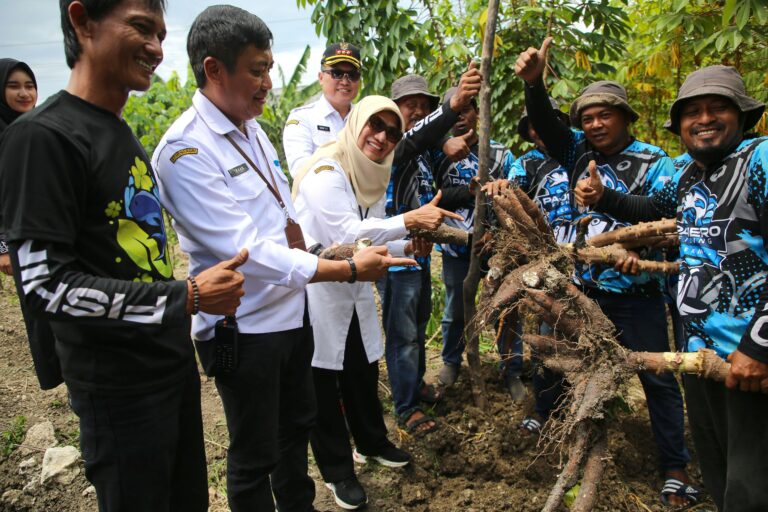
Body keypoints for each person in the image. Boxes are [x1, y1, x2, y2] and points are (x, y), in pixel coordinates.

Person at [152, 7, 415, 512]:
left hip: (293, 314)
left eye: (270, 68)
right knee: (254, 454)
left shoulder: (251, 130)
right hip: (246, 326)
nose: (268, 82)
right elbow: (245, 249)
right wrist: (342, 268)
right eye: (257, 70)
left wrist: (325, 252)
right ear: (214, 69)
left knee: (296, 428)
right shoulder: (186, 150)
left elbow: (285, 217)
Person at [0, 1, 250, 510]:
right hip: (119, 389)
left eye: (161, 34)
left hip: (167, 366)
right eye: (141, 27)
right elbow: (47, 285)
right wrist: (188, 297)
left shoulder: (117, 130)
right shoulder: (43, 138)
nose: (157, 48)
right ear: (82, 21)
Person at [575, 65, 768, 512]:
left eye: (718, 108)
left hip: (750, 359)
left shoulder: (759, 161)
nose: (704, 119)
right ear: (678, 125)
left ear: (742, 116)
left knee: (753, 486)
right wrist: (604, 198)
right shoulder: (685, 173)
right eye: (692, 112)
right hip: (700, 355)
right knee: (719, 470)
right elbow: (646, 206)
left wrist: (758, 348)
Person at [515, 38, 697, 506]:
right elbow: (546, 126)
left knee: (656, 378)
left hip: (636, 295)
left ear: (626, 118)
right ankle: (544, 420)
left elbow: (661, 209)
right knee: (555, 356)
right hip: (582, 289)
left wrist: (607, 201)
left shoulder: (656, 160)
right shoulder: (575, 150)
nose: (594, 124)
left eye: (605, 115)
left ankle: (675, 467)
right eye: (588, 117)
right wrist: (534, 85)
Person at [293, 95, 459, 510]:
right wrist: (408, 220)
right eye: (375, 126)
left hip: (355, 287)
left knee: (362, 369)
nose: (382, 138)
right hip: (320, 290)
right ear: (356, 126)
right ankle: (337, 471)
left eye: (392, 131)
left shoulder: (370, 174)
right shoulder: (326, 170)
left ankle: (371, 441)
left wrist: (408, 241)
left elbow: (368, 238)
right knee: (324, 383)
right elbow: (346, 233)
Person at [382, 69, 480, 435]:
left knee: (417, 325)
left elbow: (438, 198)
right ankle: (406, 407)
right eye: (411, 105)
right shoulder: (391, 147)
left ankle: (416, 384)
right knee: (403, 332)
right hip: (395, 254)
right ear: (394, 111)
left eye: (425, 106)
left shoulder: (424, 155)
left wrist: (472, 190)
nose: (419, 111)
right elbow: (413, 139)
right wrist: (451, 109)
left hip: (420, 253)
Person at [431, 86, 517, 395]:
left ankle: (512, 368)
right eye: (453, 112)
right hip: (456, 248)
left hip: (496, 249)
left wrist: (498, 233)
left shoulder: (501, 154)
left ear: (477, 113)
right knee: (456, 308)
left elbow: (513, 199)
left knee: (505, 308)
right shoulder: (438, 155)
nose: (459, 118)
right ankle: (451, 363)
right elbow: (433, 200)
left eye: (465, 110)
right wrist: (468, 192)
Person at [283, 42, 362, 177]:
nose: (345, 81)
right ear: (321, 77)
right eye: (337, 73)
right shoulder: (302, 118)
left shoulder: (365, 118)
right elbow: (300, 170)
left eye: (352, 75)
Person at [0, 59, 38, 276]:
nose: (24, 93)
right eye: (13, 86)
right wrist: (3, 246)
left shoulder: (35, 130)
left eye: (29, 86)